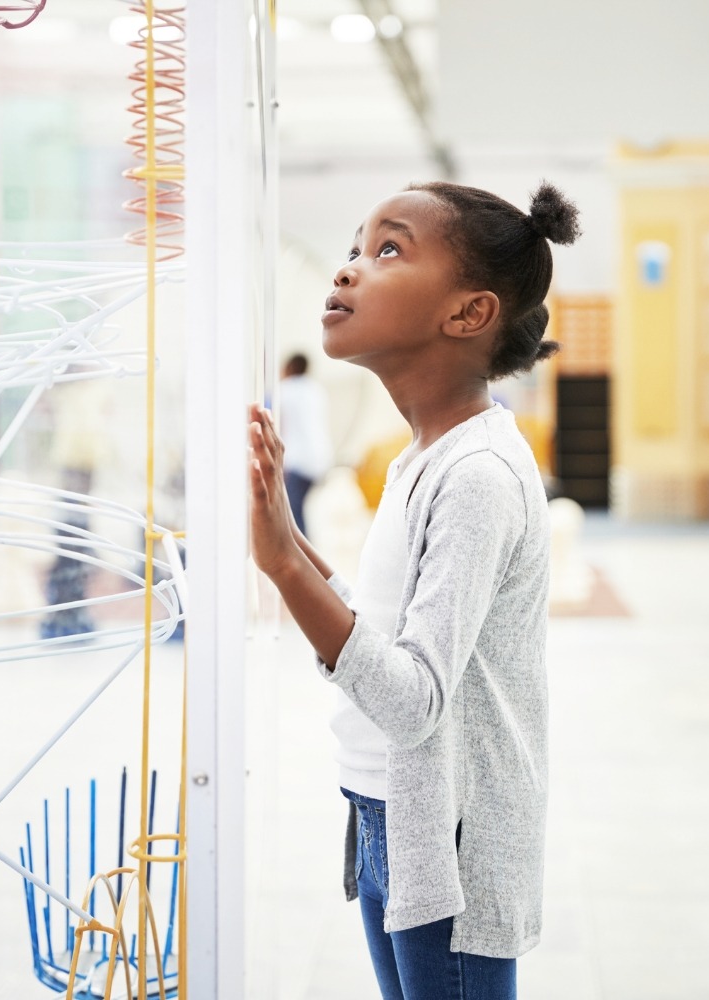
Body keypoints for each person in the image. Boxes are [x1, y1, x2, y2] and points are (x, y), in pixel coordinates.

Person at [248, 181, 580, 1000]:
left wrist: (288, 571)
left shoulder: (476, 475)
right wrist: (287, 540)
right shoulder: (425, 456)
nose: (350, 269)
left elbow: (414, 699)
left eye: (387, 249)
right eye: (357, 247)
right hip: (387, 811)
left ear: (468, 314)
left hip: (446, 839)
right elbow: (384, 623)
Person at [278, 352, 332, 536]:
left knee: (293, 514)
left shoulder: (285, 390)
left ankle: (303, 554)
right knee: (299, 510)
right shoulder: (315, 390)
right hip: (320, 458)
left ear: (289, 368)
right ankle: (306, 550)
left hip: (297, 461)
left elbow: (279, 426)